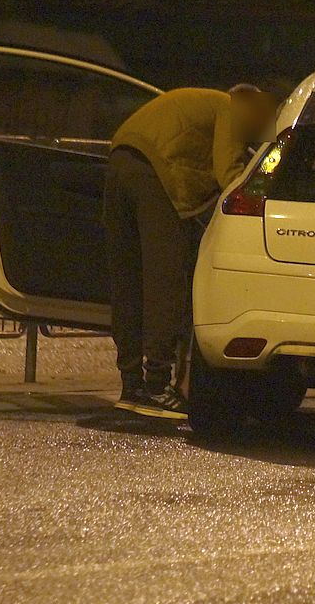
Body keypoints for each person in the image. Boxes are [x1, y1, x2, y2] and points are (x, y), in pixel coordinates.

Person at [105, 84, 277, 419]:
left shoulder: (204, 102)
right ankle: (156, 385)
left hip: (120, 159)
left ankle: (131, 384)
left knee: (127, 280)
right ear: (257, 106)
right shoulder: (233, 108)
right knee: (164, 281)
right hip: (155, 173)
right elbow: (228, 173)